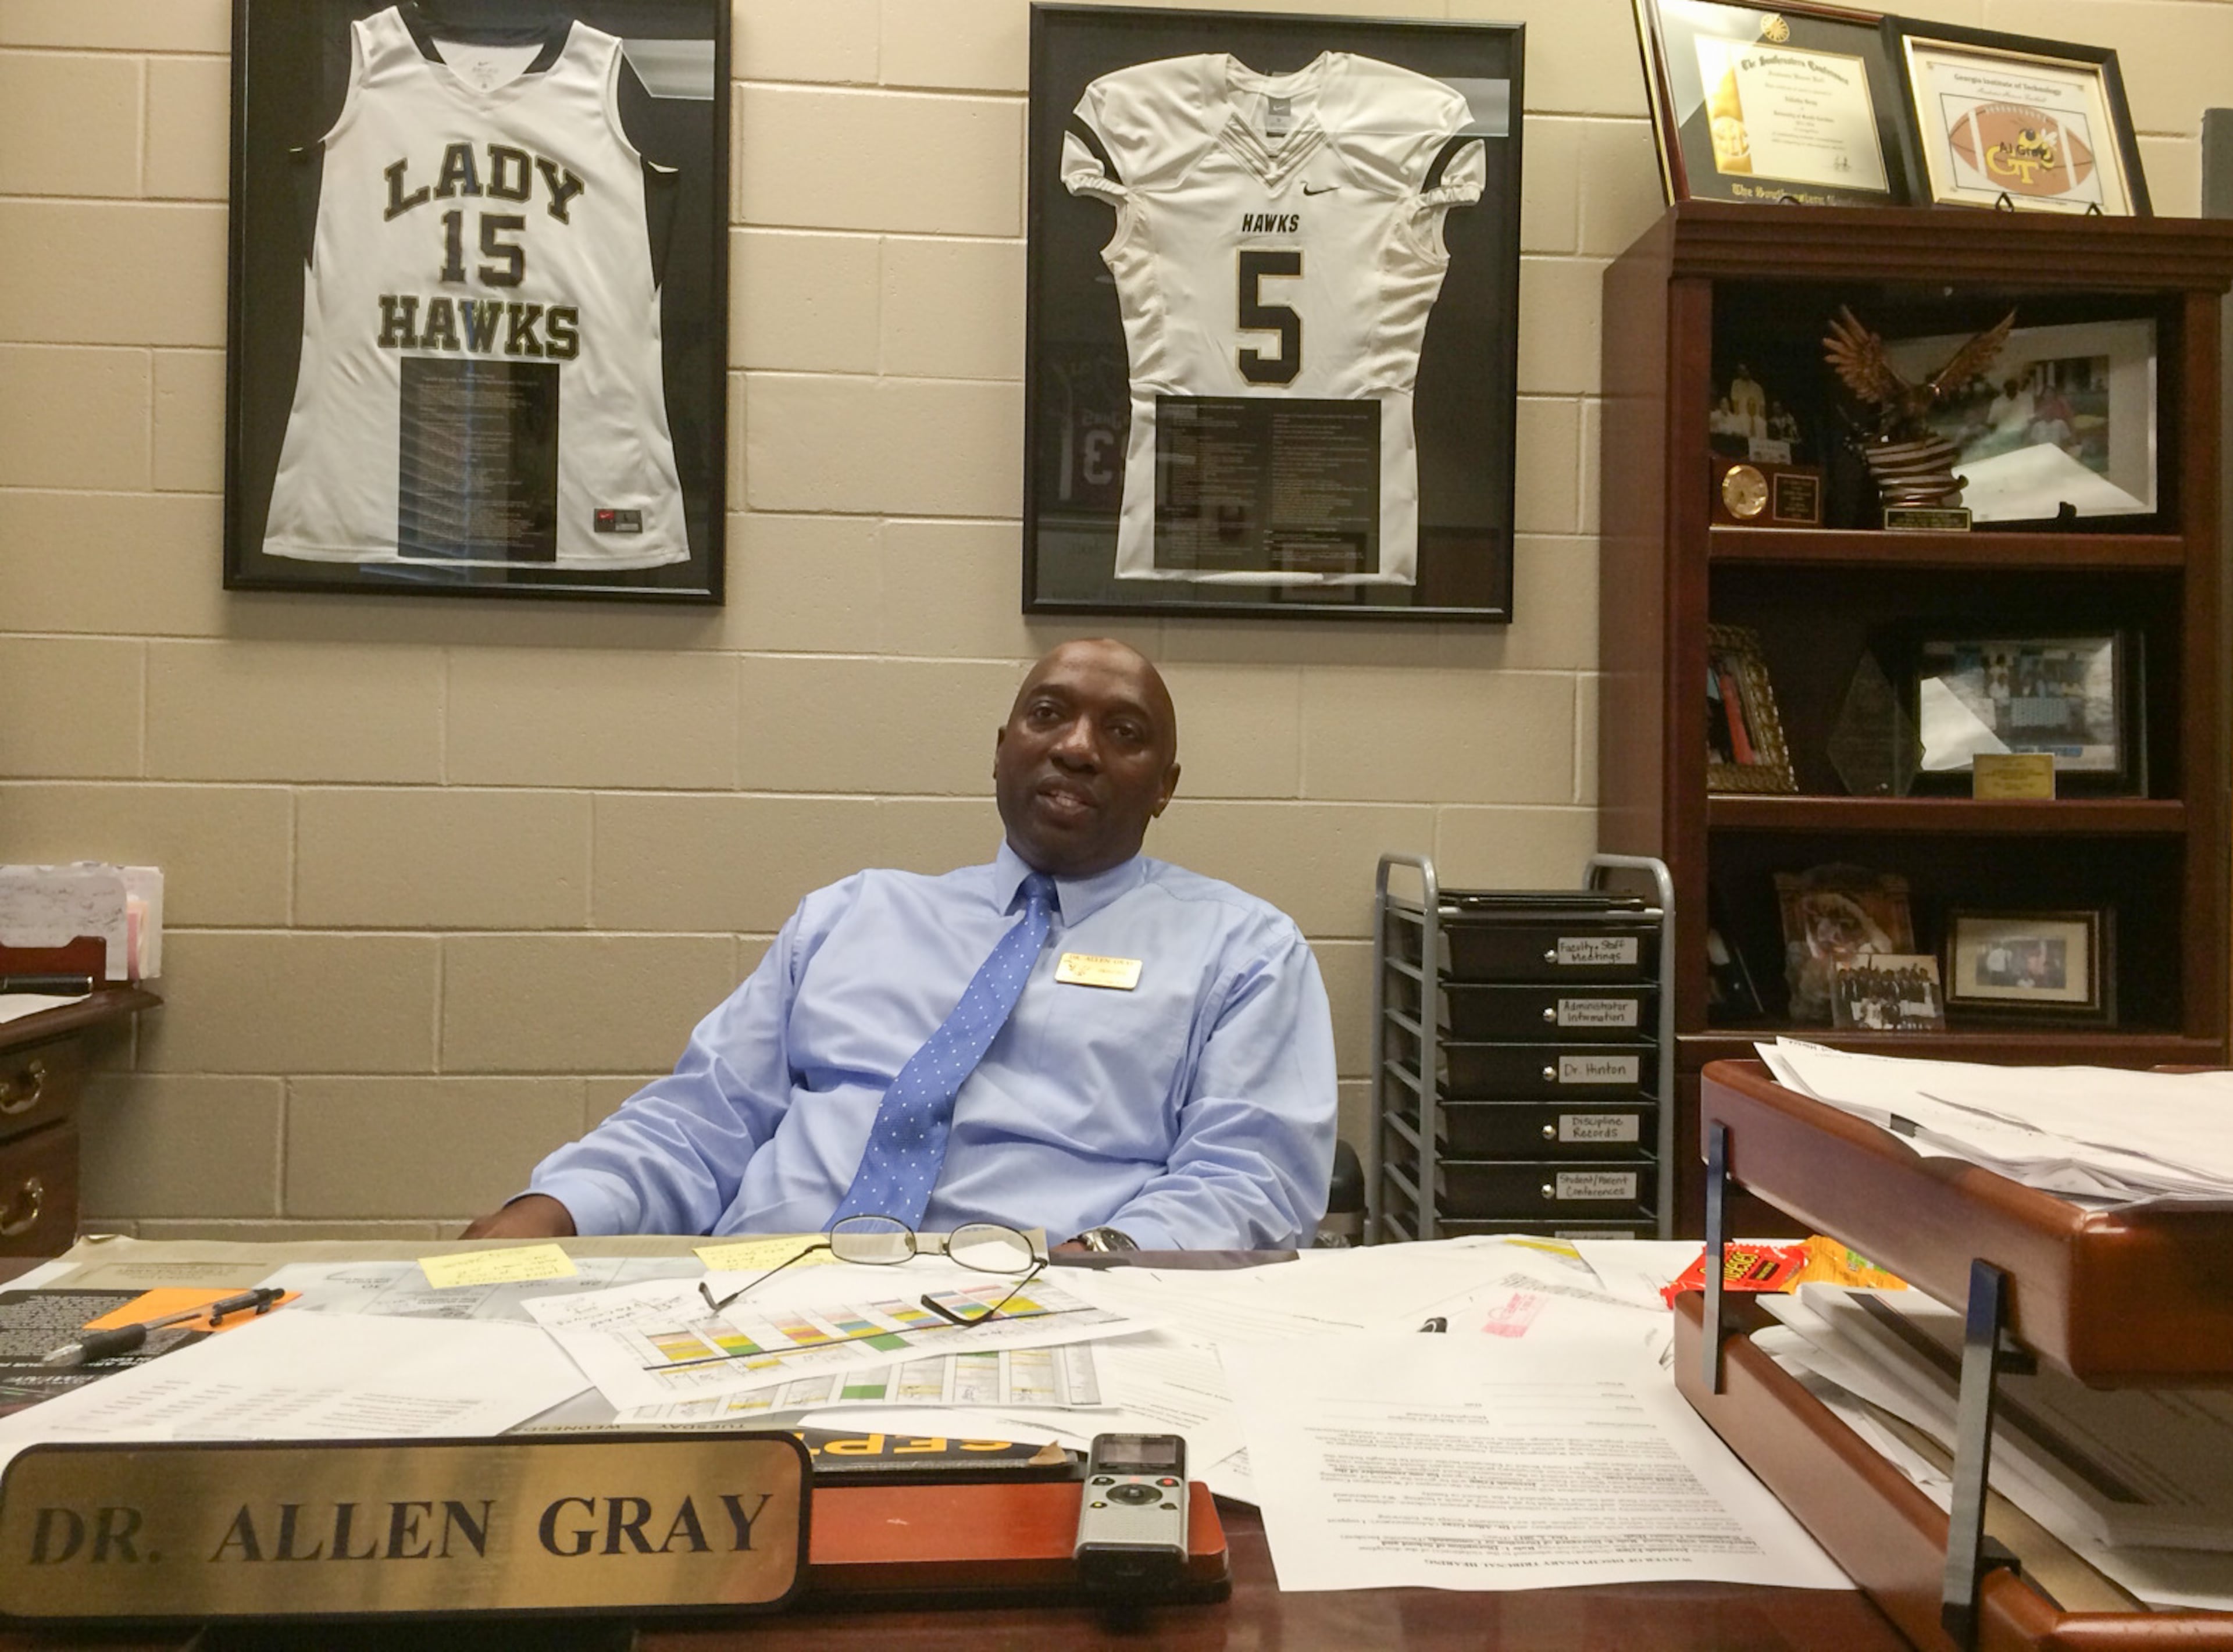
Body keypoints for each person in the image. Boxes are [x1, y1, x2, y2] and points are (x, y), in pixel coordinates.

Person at [462, 639, 1337, 1251]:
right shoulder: (851, 915)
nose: (1077, 748)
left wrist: (1095, 1264)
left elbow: (1248, 1182)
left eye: (1124, 732)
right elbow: (705, 1119)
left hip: (1049, 1310)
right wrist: (554, 1207)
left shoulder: (1243, 950)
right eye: (1049, 714)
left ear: (1165, 789)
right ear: (1001, 751)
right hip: (757, 1302)